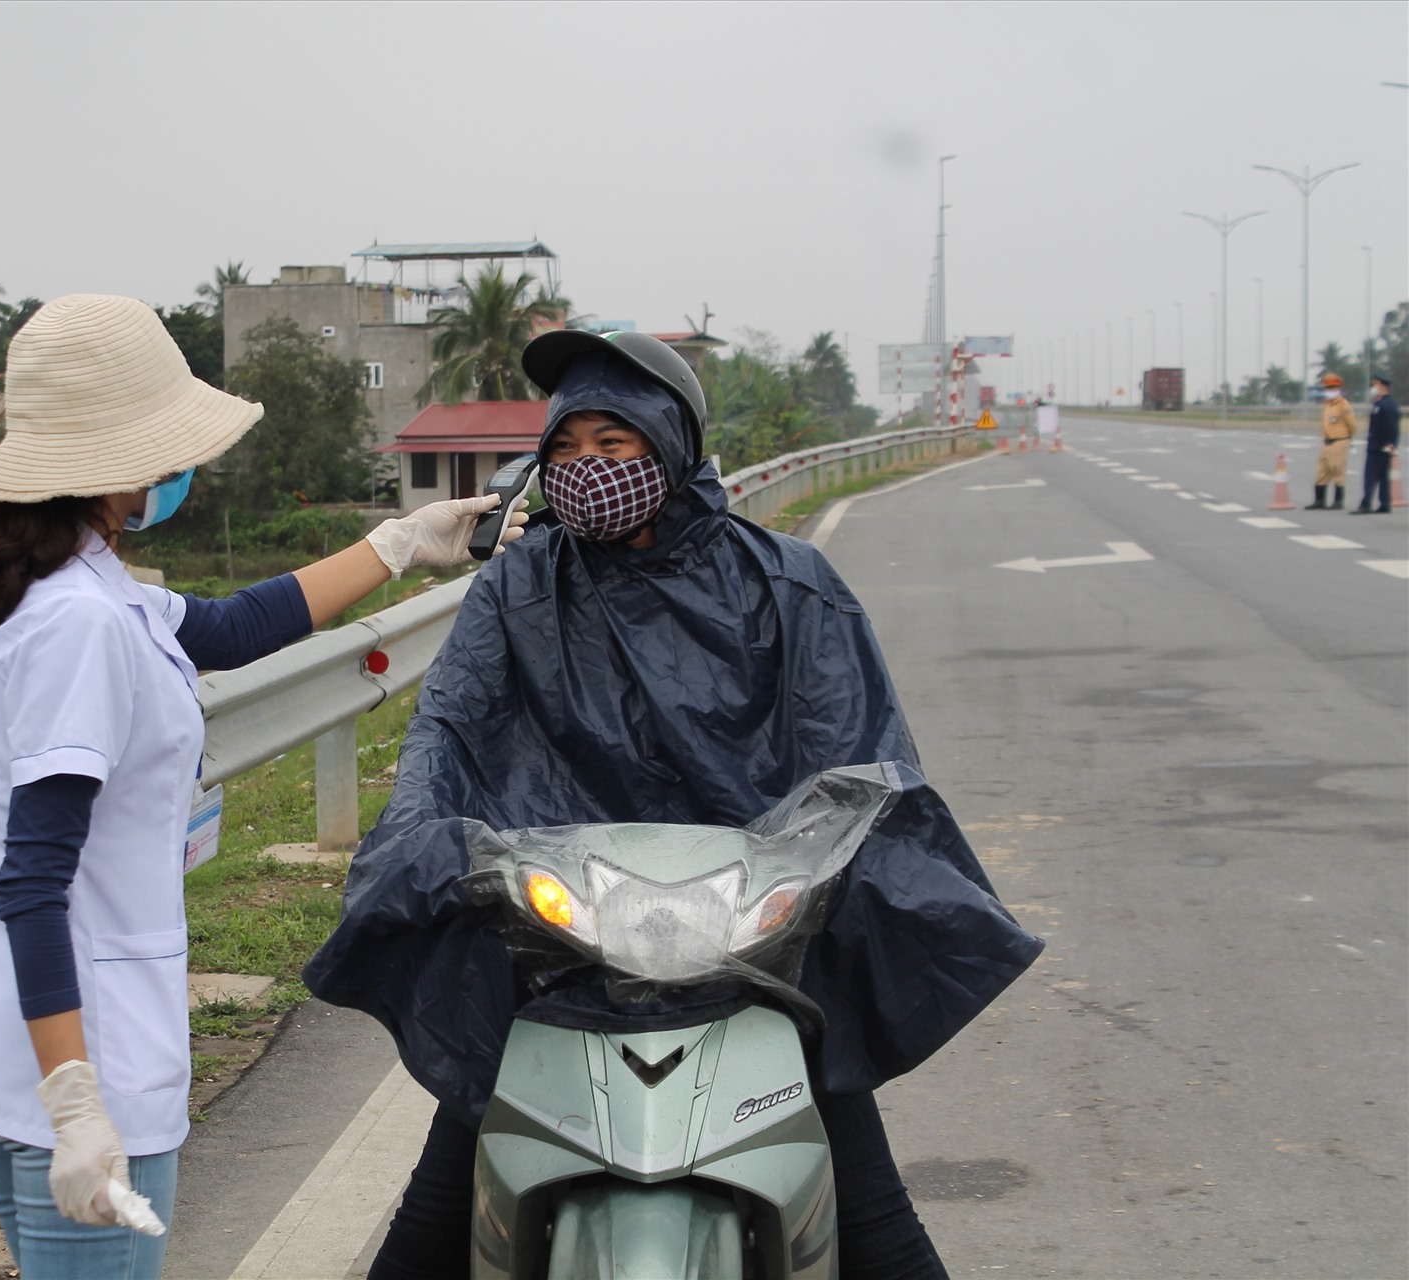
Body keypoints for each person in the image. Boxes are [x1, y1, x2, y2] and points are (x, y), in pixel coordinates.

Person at [305, 330, 1043, 1280]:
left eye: (613, 447)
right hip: (563, 945)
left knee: (874, 1216)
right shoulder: (521, 586)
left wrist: (812, 869)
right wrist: (430, 840)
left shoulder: (786, 584)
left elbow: (861, 767)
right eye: (565, 450)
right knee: (439, 1209)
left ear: (672, 444)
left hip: (753, 951)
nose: (584, 471)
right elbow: (448, 732)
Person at [0, 294, 524, 1280]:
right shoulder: (81, 624)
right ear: (123, 461)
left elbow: (228, 628)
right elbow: (33, 877)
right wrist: (74, 1099)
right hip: (73, 1047)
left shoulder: (74, 585)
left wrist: (401, 544)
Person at [1306, 372, 1358, 509]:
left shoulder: (1343, 405)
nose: (1331, 391)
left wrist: (1348, 437)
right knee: (1322, 471)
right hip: (1327, 442)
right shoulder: (1328, 404)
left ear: (1339, 389)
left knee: (1337, 471)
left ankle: (1338, 501)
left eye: (1334, 388)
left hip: (1339, 441)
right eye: (1329, 388)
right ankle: (1319, 501)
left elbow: (1352, 425)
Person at [1352, 375, 1398, 515]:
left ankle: (1366, 504)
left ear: (1382, 386)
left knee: (1370, 476)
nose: (1373, 388)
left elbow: (1390, 427)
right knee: (1383, 476)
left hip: (1378, 447)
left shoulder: (1385, 405)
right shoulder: (1382, 403)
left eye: (1375, 385)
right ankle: (1385, 503)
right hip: (1381, 445)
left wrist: (1389, 445)